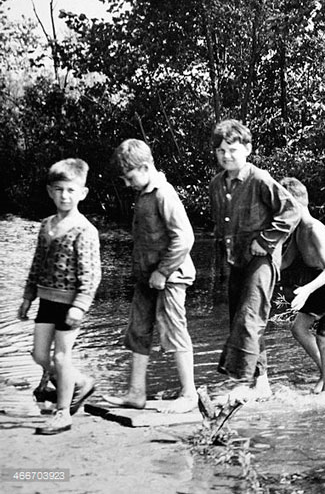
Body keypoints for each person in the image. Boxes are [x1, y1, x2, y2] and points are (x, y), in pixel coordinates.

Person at [102, 139, 198, 414]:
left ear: (145, 167)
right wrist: (149, 273)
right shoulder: (143, 194)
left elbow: (185, 238)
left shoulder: (164, 194)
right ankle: (136, 393)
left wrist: (163, 271)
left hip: (171, 277)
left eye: (130, 177)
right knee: (138, 331)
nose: (127, 184)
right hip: (147, 277)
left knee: (173, 331)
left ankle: (189, 394)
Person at [209, 120, 301, 402]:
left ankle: (241, 383)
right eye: (221, 150)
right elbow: (220, 226)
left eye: (233, 150)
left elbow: (291, 211)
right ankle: (261, 382)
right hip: (234, 259)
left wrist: (266, 240)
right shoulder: (217, 184)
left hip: (261, 260)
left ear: (248, 149)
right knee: (242, 319)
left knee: (249, 318)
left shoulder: (260, 179)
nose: (227, 156)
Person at [18, 159, 101, 435]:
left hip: (70, 305)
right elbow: (36, 263)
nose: (65, 196)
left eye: (70, 190)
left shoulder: (85, 230)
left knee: (63, 357)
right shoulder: (46, 226)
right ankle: (79, 382)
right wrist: (28, 297)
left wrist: (80, 306)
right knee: (40, 354)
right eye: (59, 189)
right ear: (50, 192)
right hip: (46, 300)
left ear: (82, 193)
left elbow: (91, 275)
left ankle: (63, 413)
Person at [280, 177, 325, 396]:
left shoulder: (314, 229)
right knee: (298, 329)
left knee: (324, 338)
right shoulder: (297, 231)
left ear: (297, 205)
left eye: (284, 209)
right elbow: (284, 262)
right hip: (319, 283)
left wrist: (305, 290)